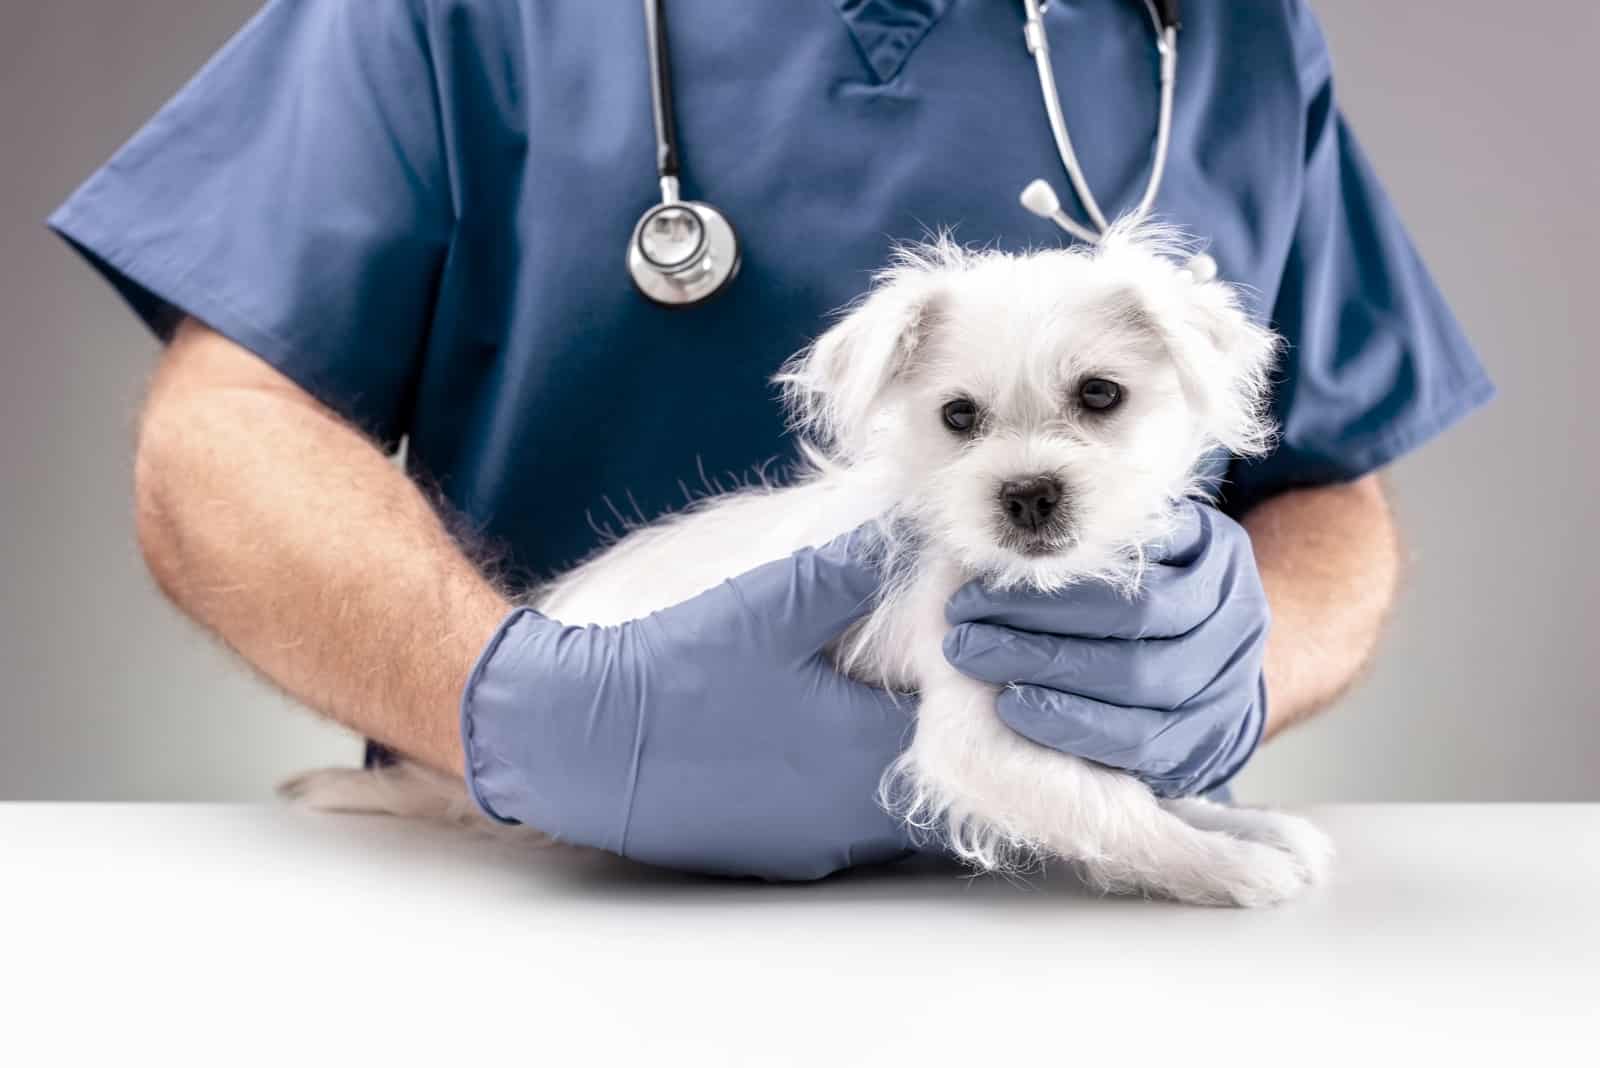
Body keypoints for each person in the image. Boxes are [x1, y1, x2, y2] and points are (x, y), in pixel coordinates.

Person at [51, 1, 1490, 880]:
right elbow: (220, 434)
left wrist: (1230, 675)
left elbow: (1328, 489)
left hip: (1070, 911)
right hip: (550, 904)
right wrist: (507, 709)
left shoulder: (1230, 26)